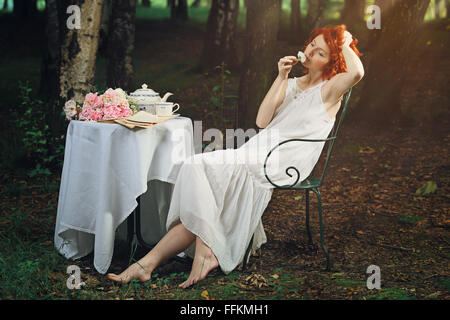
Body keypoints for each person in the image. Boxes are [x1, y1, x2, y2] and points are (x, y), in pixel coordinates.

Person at [107, 24, 364, 288]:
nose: (310, 54)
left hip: (286, 159)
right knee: (200, 175)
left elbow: (357, 71)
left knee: (198, 165)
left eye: (321, 53)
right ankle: (149, 264)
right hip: (257, 149)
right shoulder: (292, 83)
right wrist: (280, 77)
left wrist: (343, 40)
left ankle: (198, 251)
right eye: (312, 45)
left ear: (332, 62)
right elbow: (262, 121)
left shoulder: (331, 89)